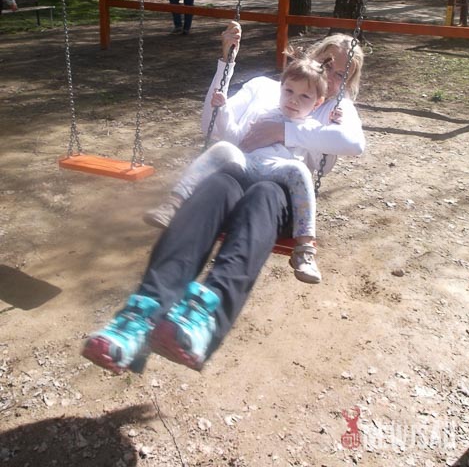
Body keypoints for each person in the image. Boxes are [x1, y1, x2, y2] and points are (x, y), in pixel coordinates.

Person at [81, 23, 365, 375]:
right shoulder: (266, 87)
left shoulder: (335, 108)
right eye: (327, 64)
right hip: (237, 172)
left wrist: (284, 130)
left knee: (262, 194)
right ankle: (139, 319)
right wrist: (225, 64)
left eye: (342, 74)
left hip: (279, 193)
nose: (331, 77)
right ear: (312, 55)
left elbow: (354, 144)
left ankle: (203, 322)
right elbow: (212, 125)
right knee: (215, 186)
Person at [144, 43, 341, 284]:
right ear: (281, 88)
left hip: (277, 173)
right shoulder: (264, 113)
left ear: (317, 103)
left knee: (299, 170)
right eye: (289, 91)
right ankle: (175, 202)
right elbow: (234, 136)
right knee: (222, 148)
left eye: (304, 97)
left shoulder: (312, 128)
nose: (294, 101)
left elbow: (323, 162)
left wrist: (333, 128)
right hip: (246, 164)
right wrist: (223, 109)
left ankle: (304, 250)